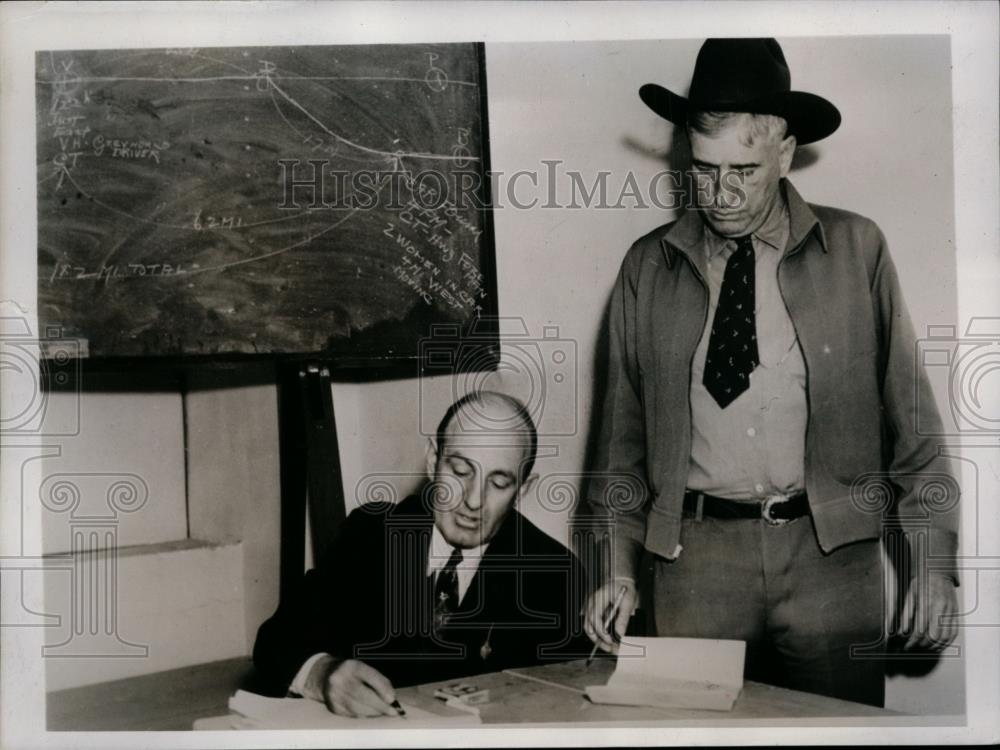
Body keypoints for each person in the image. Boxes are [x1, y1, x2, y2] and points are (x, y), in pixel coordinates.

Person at [584, 38, 959, 707]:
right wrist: (616, 567)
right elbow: (619, 445)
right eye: (703, 170)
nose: (721, 193)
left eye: (745, 170)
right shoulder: (647, 269)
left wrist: (932, 565)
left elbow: (916, 428)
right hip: (692, 564)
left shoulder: (857, 251)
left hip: (832, 563)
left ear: (784, 153)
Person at [254, 390, 589, 717]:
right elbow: (277, 639)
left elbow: (564, 707)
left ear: (523, 490)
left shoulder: (553, 575)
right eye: (460, 471)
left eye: (499, 483)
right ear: (433, 461)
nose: (474, 500)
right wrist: (323, 674)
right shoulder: (371, 534)